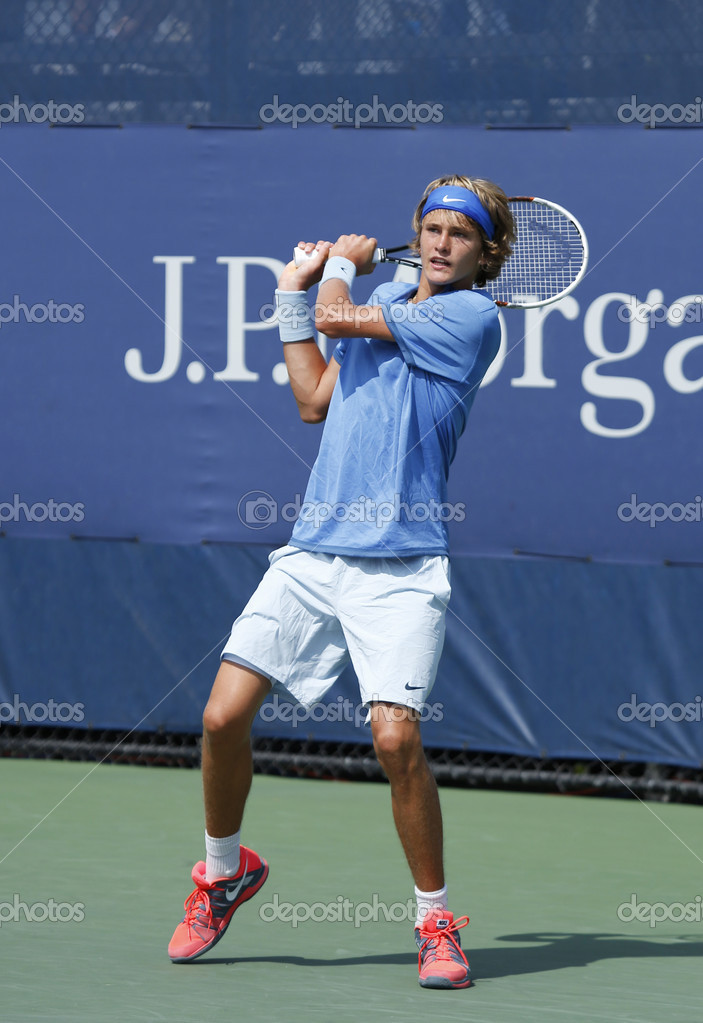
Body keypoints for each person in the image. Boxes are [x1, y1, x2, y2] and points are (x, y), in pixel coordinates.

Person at [167, 174, 514, 989]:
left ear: (483, 253)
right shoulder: (388, 299)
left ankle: (435, 921)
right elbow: (315, 397)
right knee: (220, 719)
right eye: (429, 228)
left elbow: (334, 313)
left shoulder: (469, 317)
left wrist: (331, 276)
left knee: (396, 740)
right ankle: (223, 873)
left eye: (458, 235)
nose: (438, 243)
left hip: (400, 568)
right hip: (314, 552)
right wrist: (294, 296)